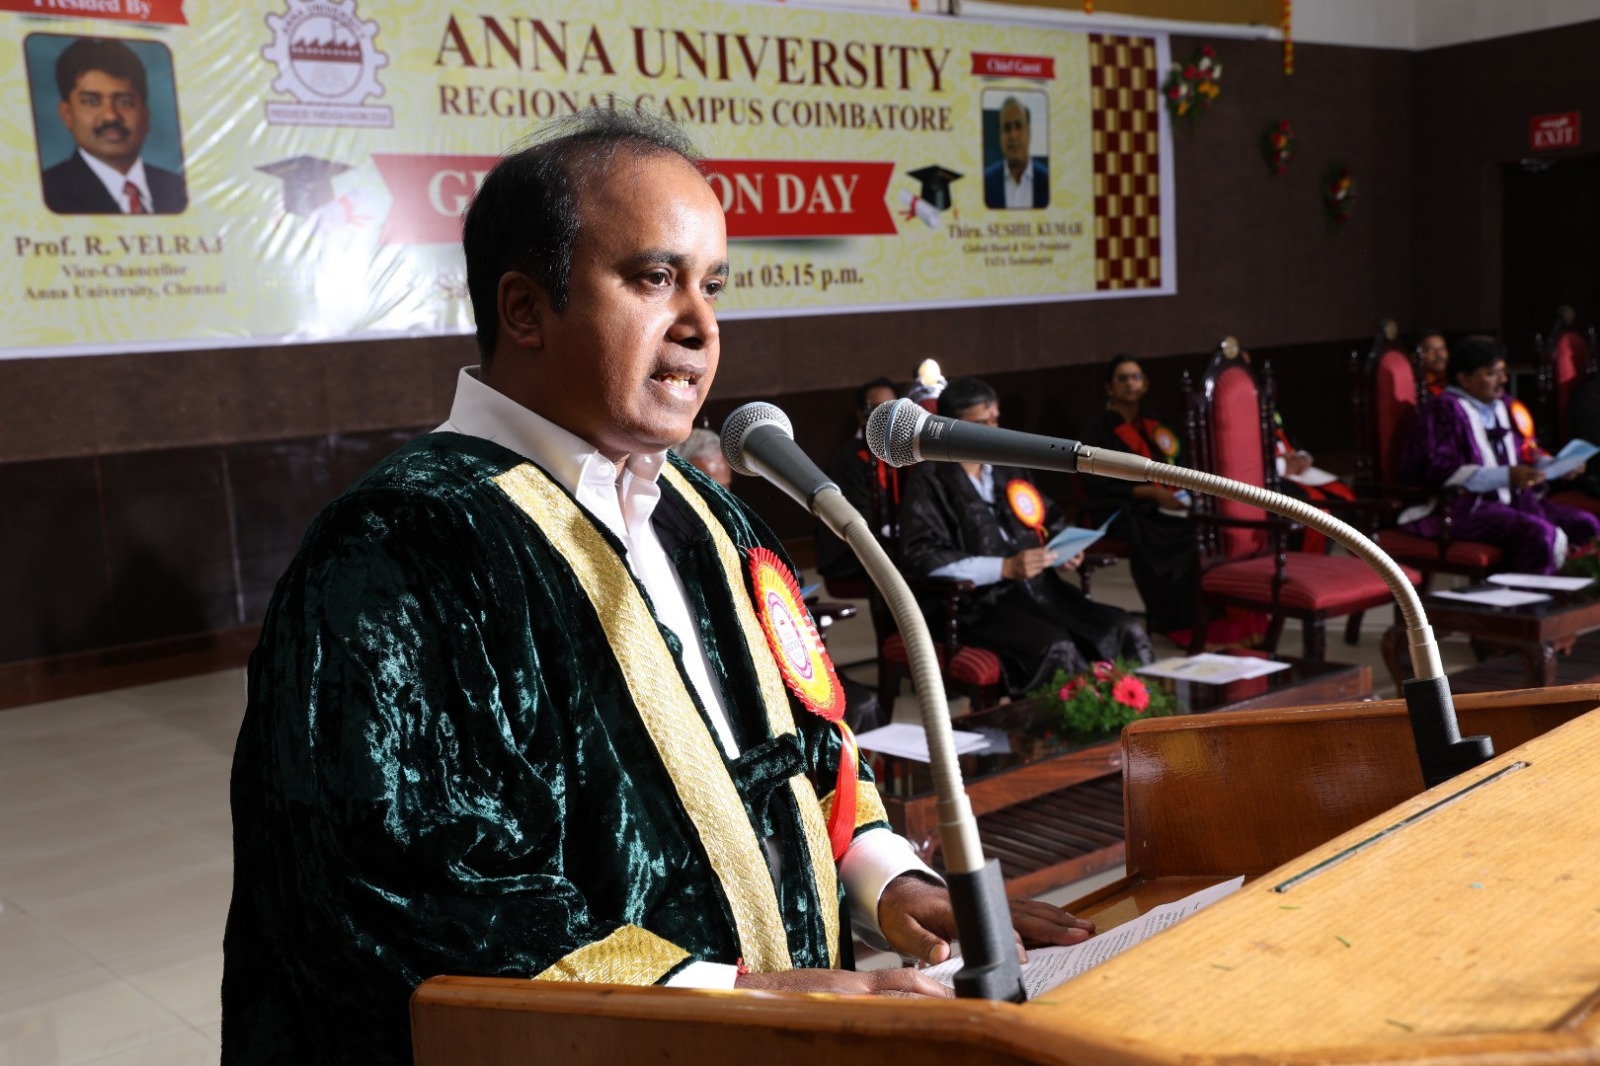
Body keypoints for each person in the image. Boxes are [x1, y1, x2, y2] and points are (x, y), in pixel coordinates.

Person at [221, 111, 1090, 1065]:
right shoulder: (400, 547)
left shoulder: (706, 515)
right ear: (525, 309)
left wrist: (891, 882)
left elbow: (808, 747)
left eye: (712, 285)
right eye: (653, 278)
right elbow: (402, 892)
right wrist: (740, 1000)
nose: (701, 327)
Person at [899, 377, 1153, 697]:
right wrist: (1004, 568)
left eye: (995, 420)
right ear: (952, 427)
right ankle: (1066, 727)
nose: (993, 430)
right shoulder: (930, 480)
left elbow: (1047, 518)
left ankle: (1145, 712)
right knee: (1056, 646)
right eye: (981, 424)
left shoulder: (1007, 467)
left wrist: (1062, 548)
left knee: (1123, 628)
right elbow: (923, 556)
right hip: (976, 606)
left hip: (1041, 590)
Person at [1400, 335, 1599, 574]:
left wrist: (1557, 466)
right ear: (1464, 378)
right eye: (1491, 373)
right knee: (1539, 534)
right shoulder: (1442, 411)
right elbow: (1438, 470)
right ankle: (1528, 597)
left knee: (1586, 525)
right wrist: (1507, 476)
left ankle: (1576, 596)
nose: (1503, 379)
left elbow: (1527, 451)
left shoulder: (1504, 405)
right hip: (1463, 508)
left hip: (1513, 500)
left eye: (1503, 371)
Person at [1078, 355, 1198, 635]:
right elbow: (1098, 482)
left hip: (1167, 503)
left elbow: (1179, 462)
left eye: (1136, 377)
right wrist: (1149, 493)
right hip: (1121, 507)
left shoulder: (1156, 422)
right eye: (1122, 378)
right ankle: (1172, 619)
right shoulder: (1098, 430)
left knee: (1196, 527)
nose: (1130, 384)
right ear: (1109, 388)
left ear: (1145, 383)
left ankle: (1197, 613)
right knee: (1166, 534)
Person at [41, 37, 186, 215]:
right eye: (92, 101)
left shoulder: (179, 188)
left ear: (145, 114)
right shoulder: (44, 192)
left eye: (125, 102)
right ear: (68, 114)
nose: (111, 115)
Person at [816, 377, 899, 587]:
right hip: (852, 549)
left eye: (892, 408)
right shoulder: (848, 459)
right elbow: (862, 516)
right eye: (878, 409)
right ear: (861, 414)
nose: (887, 416)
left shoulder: (900, 451)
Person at [983, 97, 1049, 209]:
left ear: (1029, 132)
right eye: (1007, 128)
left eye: (1018, 126)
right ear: (1000, 136)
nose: (1013, 135)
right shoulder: (985, 183)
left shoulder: (1049, 181)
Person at [1416, 329, 1449, 396]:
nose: (1439, 354)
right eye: (1431, 350)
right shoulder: (1416, 384)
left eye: (1442, 348)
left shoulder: (1457, 382)